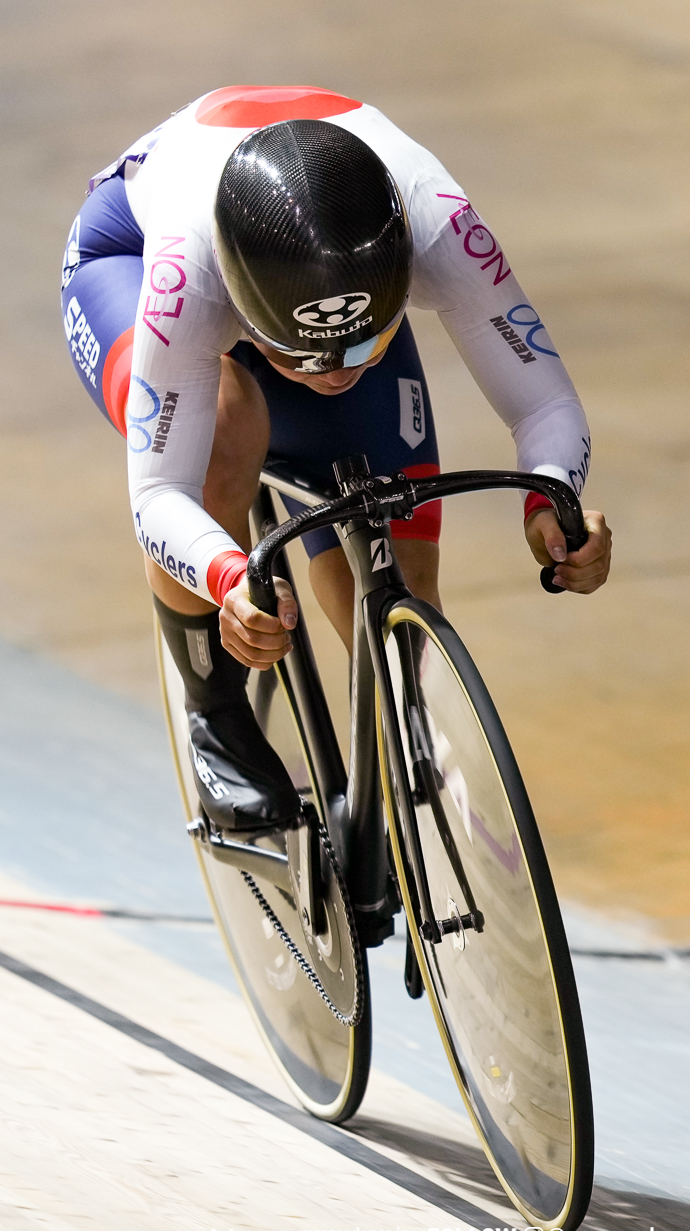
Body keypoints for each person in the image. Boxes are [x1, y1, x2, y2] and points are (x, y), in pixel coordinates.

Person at [60, 84, 611, 842]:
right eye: (309, 356)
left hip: (315, 279)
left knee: (404, 605)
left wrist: (552, 497)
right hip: (125, 261)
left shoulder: (437, 224)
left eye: (368, 341)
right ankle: (213, 713)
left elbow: (546, 405)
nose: (337, 372)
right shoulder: (185, 280)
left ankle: (415, 853)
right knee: (227, 422)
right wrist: (227, 580)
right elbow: (160, 491)